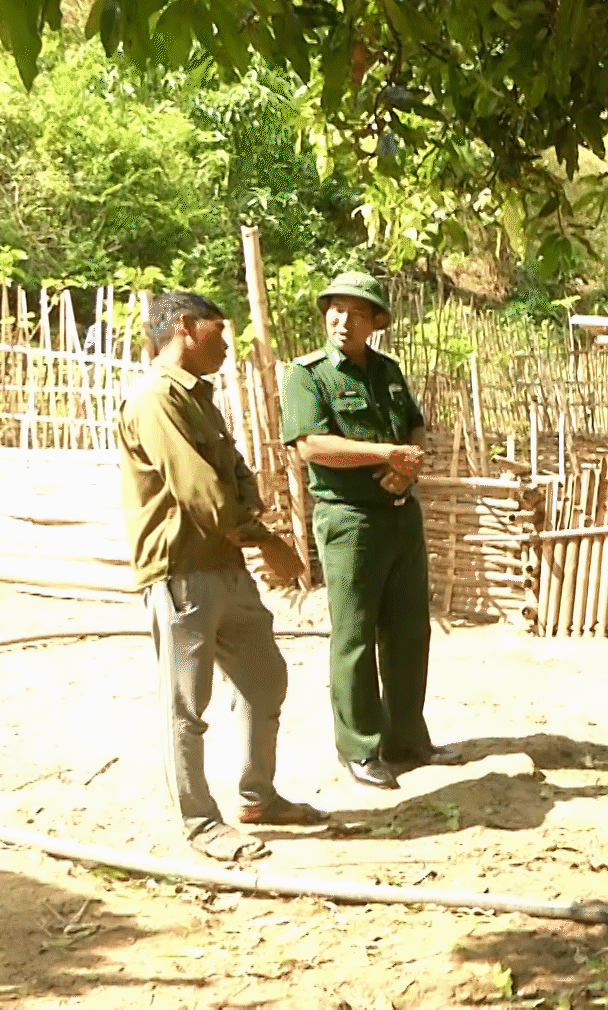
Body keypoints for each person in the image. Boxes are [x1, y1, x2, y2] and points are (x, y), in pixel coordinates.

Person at [118, 292, 326, 862]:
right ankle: (200, 825)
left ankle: (257, 797)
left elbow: (234, 476)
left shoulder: (198, 399)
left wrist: (251, 526)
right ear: (184, 327)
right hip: (181, 573)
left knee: (264, 680)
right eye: (218, 330)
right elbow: (202, 492)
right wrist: (268, 540)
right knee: (186, 708)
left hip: (224, 566)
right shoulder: (157, 400)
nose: (228, 343)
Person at [280, 272, 465, 790]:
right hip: (350, 519)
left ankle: (407, 738)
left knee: (410, 631)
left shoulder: (387, 370)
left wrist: (408, 464)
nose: (343, 321)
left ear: (375, 323)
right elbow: (310, 446)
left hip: (402, 514)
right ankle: (359, 747)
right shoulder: (308, 375)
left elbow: (415, 425)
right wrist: (386, 455)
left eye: (357, 313)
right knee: (355, 636)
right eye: (335, 310)